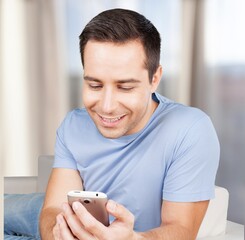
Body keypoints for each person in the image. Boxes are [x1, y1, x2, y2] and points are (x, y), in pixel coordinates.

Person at [5, 8, 219, 240]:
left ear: (154, 79)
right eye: (95, 85)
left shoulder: (190, 129)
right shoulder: (74, 124)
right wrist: (56, 234)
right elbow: (52, 209)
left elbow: (182, 230)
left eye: (125, 87)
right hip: (61, 219)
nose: (106, 107)